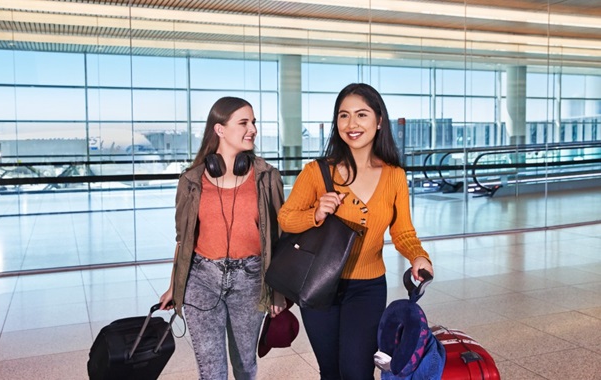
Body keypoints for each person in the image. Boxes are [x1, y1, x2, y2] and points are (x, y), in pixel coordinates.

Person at [277, 83, 434, 380]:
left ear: (379, 121)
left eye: (361, 115)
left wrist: (418, 256)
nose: (352, 124)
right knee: (331, 371)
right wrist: (316, 213)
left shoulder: (394, 176)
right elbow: (286, 219)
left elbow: (403, 232)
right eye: (344, 116)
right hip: (319, 284)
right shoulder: (316, 172)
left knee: (357, 371)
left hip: (367, 287)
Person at [159, 96, 287, 380]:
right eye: (243, 122)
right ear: (219, 129)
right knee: (212, 372)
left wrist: (278, 292)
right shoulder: (191, 180)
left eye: (253, 122)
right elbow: (183, 240)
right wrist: (174, 287)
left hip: (251, 280)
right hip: (201, 279)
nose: (252, 128)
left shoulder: (267, 177)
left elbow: (279, 239)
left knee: (245, 366)